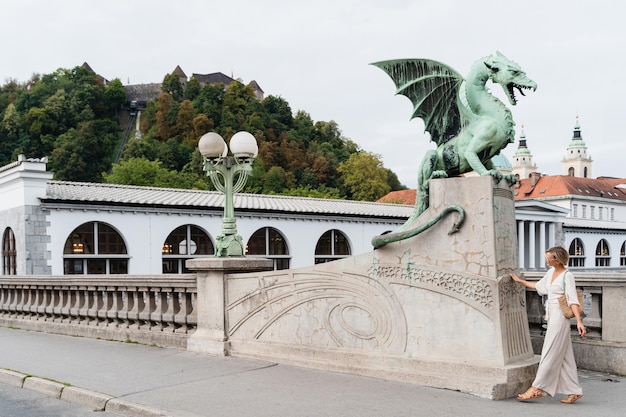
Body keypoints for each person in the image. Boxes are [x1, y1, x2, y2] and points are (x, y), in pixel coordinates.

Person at [511, 246, 586, 404]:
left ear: (557, 260)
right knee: (565, 355)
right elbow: (540, 287)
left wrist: (579, 321)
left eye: (548, 258)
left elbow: (573, 301)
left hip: (560, 317)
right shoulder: (551, 272)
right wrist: (520, 281)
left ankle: (536, 388)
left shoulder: (567, 276)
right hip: (551, 314)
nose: (546, 260)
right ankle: (574, 390)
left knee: (549, 352)